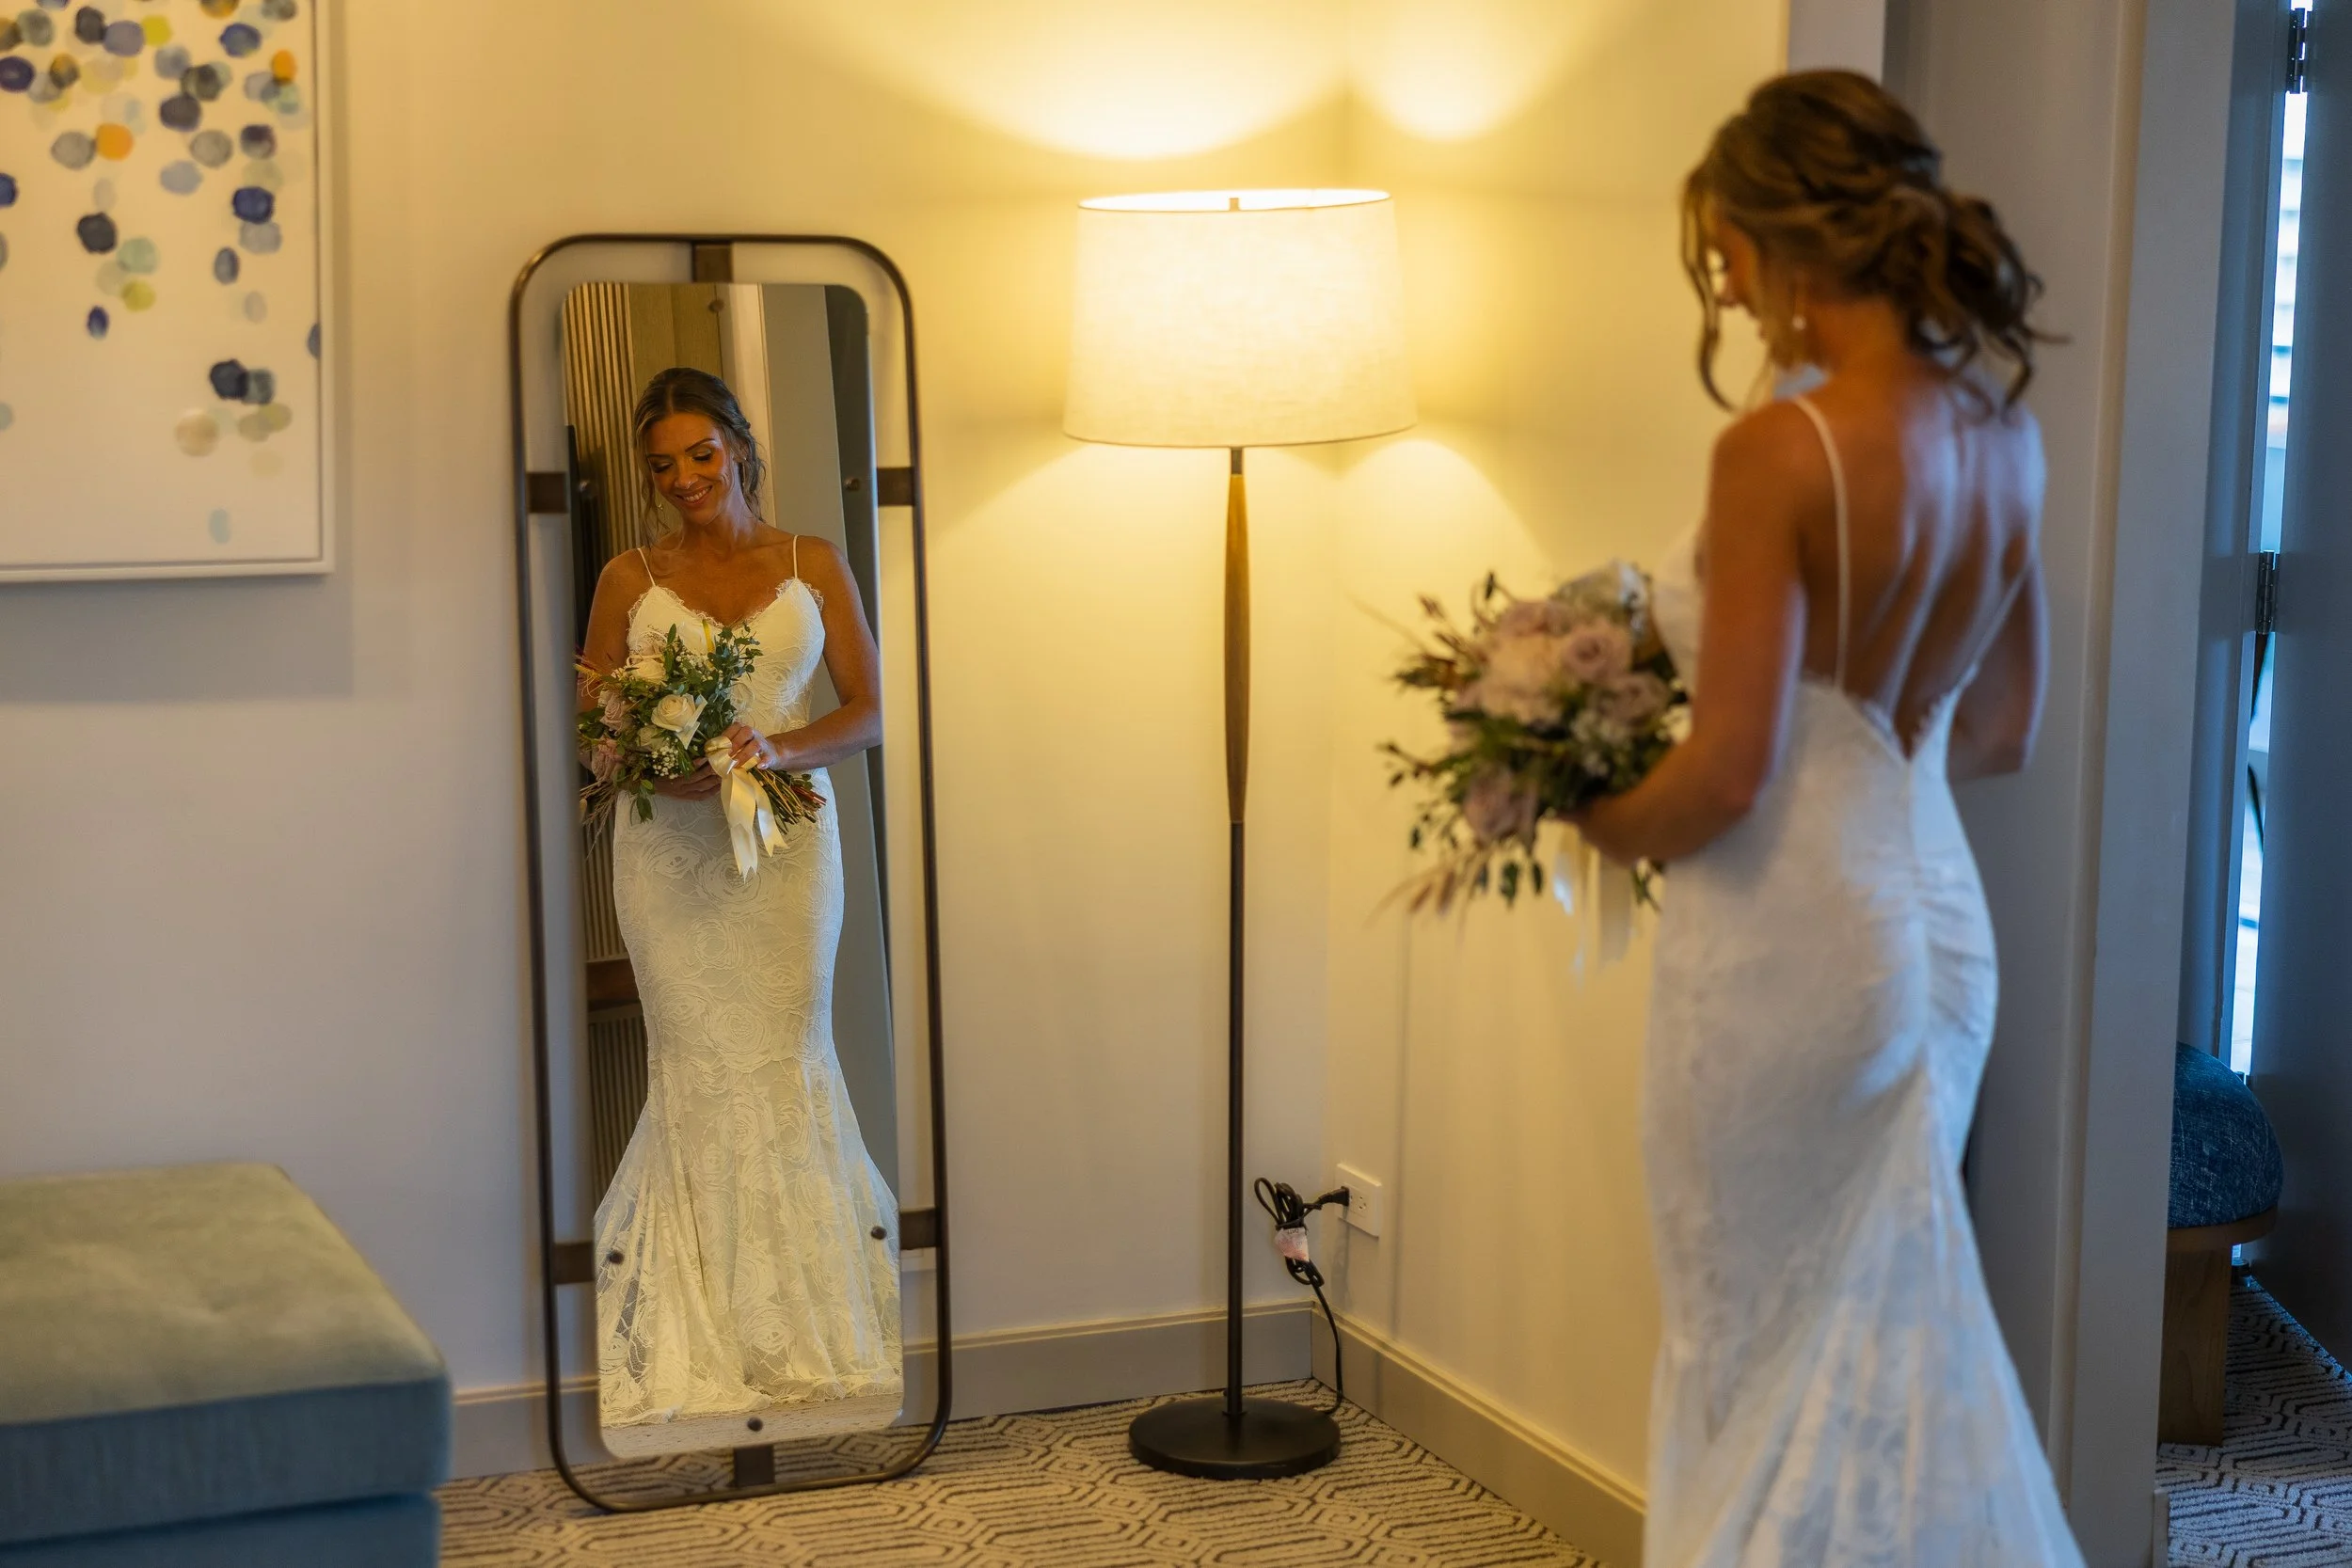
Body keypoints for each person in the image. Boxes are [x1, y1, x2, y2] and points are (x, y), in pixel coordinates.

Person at [1570, 71, 2080, 1564]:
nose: (1729, 290)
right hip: (1936, 920)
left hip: (1789, 934)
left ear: (1790, 235)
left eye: (1727, 252)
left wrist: (1585, 809)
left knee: (1753, 1332)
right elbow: (2002, 727)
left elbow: (1725, 774)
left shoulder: (1778, 452)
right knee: (1886, 1335)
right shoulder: (2003, 433)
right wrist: (1867, 757)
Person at [577, 366, 901, 1450]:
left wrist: (778, 743)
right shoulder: (631, 574)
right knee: (698, 1064)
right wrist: (645, 759)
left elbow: (867, 710)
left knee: (783, 1050)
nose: (685, 480)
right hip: (667, 857)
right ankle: (697, 1335)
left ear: (740, 447)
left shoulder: (811, 560)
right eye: (662, 466)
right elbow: (590, 720)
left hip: (787, 850)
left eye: (701, 456)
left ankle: (806, 1331)